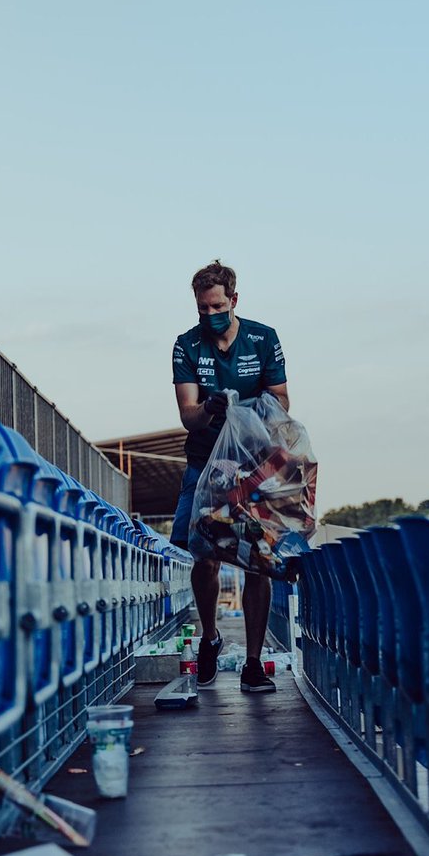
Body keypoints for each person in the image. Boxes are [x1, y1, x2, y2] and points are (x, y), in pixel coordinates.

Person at [171, 260, 289, 693]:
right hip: (206, 462)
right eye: (202, 308)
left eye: (216, 306)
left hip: (255, 462)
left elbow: (283, 400)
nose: (209, 315)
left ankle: (254, 662)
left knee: (258, 559)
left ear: (233, 300)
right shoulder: (187, 345)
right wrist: (211, 408)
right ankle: (210, 635)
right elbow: (188, 415)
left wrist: (249, 411)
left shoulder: (263, 338)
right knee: (203, 554)